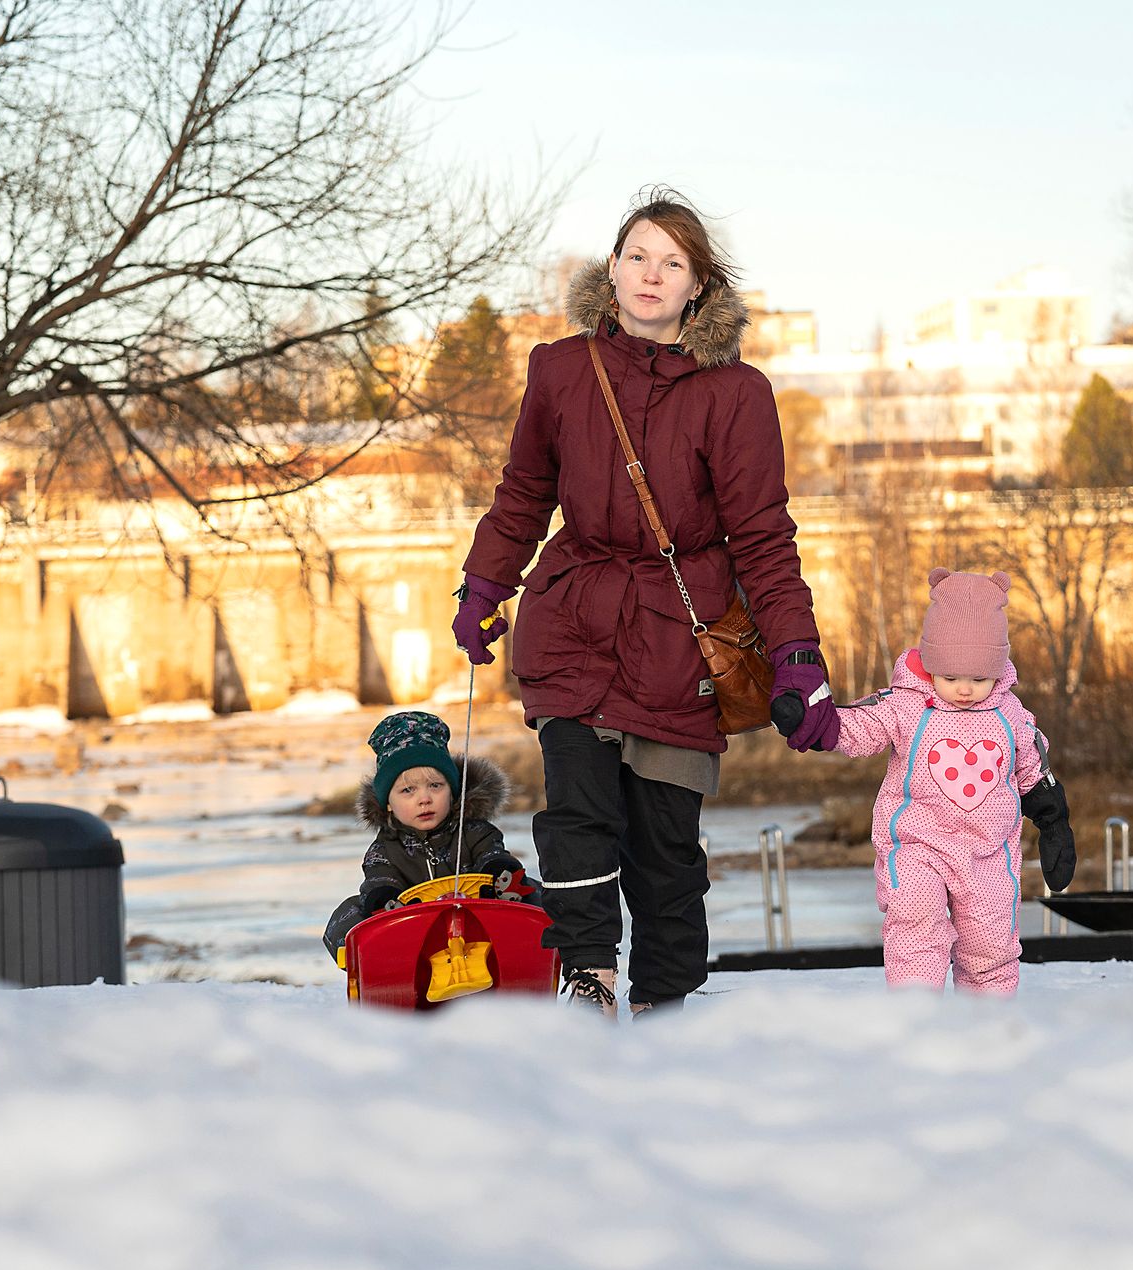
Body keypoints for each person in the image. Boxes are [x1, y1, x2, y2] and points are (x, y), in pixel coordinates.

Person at [450, 190, 835, 1017]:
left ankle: (666, 1003)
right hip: (574, 622)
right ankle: (588, 973)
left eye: (672, 262)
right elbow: (524, 492)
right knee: (577, 817)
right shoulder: (560, 368)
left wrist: (797, 657)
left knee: (665, 846)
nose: (650, 274)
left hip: (678, 639)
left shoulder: (735, 394)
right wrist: (486, 582)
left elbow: (763, 537)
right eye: (637, 256)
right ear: (612, 269)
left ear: (698, 286)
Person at [804, 569, 1077, 995]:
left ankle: (987, 1027)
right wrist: (815, 722)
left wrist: (1054, 822)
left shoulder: (1011, 715)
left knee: (990, 946)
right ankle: (919, 1018)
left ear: (997, 670)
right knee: (915, 922)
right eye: (951, 678)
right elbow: (860, 725)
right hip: (918, 846)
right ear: (932, 664)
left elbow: (1033, 771)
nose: (965, 690)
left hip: (988, 853)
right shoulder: (906, 705)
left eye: (979, 679)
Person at [323, 710, 525, 963]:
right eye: (408, 790)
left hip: (479, 926)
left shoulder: (473, 831)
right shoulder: (385, 849)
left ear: (452, 791)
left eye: (435, 786)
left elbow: (491, 852)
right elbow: (379, 876)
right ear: (387, 804)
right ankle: (378, 964)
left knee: (535, 890)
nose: (424, 798)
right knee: (349, 913)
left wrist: (499, 871)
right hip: (414, 935)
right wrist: (384, 896)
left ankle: (525, 955)